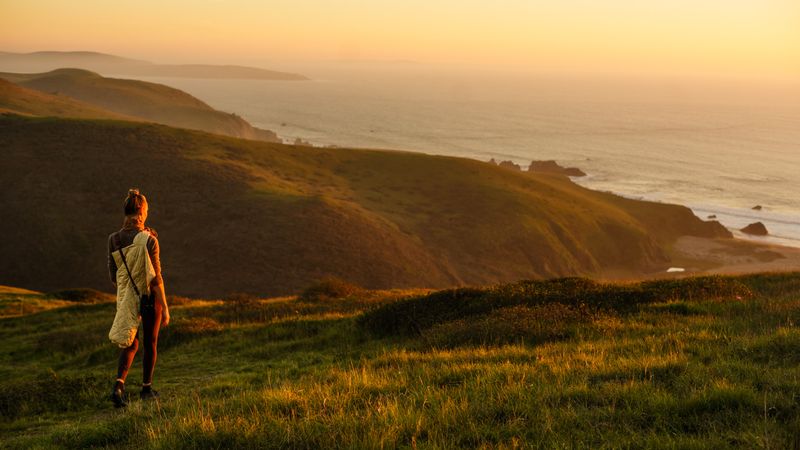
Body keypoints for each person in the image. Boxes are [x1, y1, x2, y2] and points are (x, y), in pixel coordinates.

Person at [107, 189, 170, 408]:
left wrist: (127, 291)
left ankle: (118, 386)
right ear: (142, 211)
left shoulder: (113, 240)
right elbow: (156, 277)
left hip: (127, 296)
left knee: (130, 343)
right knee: (150, 342)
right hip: (149, 297)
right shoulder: (149, 240)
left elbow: (113, 275)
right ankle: (146, 388)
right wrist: (165, 305)